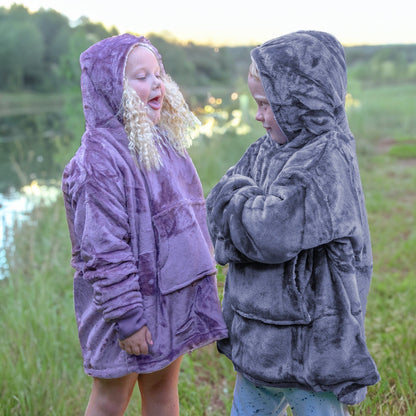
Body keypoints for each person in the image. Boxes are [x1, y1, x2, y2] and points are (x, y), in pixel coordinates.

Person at [206, 30, 380, 416]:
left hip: (308, 343)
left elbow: (270, 230)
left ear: (300, 103)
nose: (258, 115)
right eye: (257, 103)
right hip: (259, 337)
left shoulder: (324, 160)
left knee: (317, 408)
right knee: (247, 407)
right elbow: (217, 204)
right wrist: (238, 204)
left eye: (267, 105)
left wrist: (233, 202)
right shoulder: (268, 149)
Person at [62, 33, 227, 416]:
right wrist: (128, 319)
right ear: (109, 88)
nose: (156, 83)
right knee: (111, 397)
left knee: (163, 389)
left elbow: (188, 216)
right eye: (140, 76)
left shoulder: (160, 143)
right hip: (123, 307)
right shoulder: (97, 162)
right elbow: (103, 250)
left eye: (158, 74)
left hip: (167, 299)